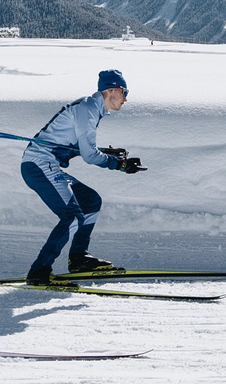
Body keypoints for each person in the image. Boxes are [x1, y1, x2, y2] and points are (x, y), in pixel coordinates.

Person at [21, 69, 142, 285]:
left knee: (90, 200)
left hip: (45, 164)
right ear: (111, 90)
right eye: (125, 92)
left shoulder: (90, 108)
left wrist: (107, 152)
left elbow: (75, 146)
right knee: (72, 216)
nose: (126, 98)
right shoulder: (88, 109)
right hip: (38, 164)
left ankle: (78, 257)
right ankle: (39, 271)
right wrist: (118, 164)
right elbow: (89, 155)